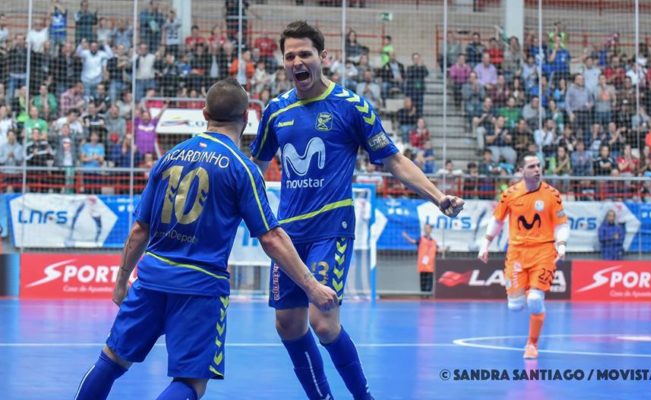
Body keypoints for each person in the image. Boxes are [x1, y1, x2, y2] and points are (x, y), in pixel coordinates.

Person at [74, 78, 337, 400]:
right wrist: (311, 285)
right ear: (245, 119)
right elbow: (271, 237)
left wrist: (120, 281)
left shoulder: (169, 157)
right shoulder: (242, 168)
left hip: (152, 278)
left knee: (112, 359)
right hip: (200, 288)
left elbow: (139, 230)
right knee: (191, 382)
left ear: (204, 113)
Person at [250, 21, 464, 400]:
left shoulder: (351, 106)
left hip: (331, 227)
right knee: (287, 324)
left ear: (323, 58)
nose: (297, 61)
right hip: (288, 234)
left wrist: (436, 195)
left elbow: (394, 160)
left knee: (324, 322)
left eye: (305, 54)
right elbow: (254, 167)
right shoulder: (275, 111)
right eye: (290, 56)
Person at [477, 152, 569, 359]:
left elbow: (561, 223)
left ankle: (532, 345)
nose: (537, 169)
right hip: (517, 253)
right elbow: (497, 220)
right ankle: (525, 292)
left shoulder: (552, 194)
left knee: (535, 300)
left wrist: (561, 245)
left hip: (544, 251)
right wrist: (485, 243)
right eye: (532, 166)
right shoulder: (510, 194)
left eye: (539, 165)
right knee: (515, 306)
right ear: (521, 171)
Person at [402, 223, 441, 297]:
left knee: (429, 286)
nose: (427, 230)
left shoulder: (434, 242)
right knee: (423, 285)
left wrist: (446, 249)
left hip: (430, 267)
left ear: (431, 230)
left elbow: (438, 250)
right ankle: (423, 298)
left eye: (428, 228)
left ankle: (428, 298)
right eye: (425, 228)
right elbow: (413, 241)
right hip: (422, 266)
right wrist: (406, 236)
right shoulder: (421, 239)